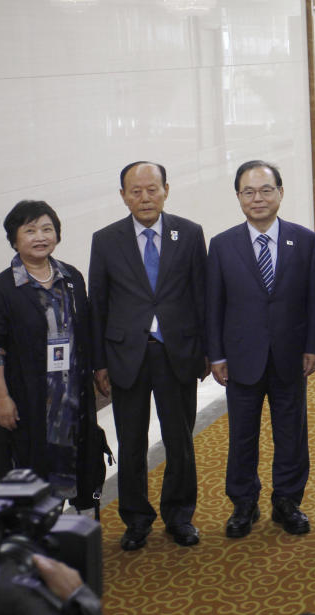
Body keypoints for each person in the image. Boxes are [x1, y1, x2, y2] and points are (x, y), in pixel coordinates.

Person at [88, 162, 208, 550]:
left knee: (179, 440)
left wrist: (206, 350)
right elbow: (98, 305)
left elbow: (201, 296)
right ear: (123, 196)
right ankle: (136, 519)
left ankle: (179, 516)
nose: (144, 198)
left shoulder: (188, 233)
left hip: (177, 352)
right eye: (135, 191)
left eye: (151, 189)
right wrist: (99, 363)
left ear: (166, 190)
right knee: (131, 441)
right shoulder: (106, 240)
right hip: (127, 355)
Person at [206, 160, 315, 537]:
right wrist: (217, 355)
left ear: (281, 193)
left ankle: (287, 501)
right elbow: (215, 305)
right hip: (241, 357)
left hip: (290, 354)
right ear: (238, 197)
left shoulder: (304, 240)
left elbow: (314, 300)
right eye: (249, 192)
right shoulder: (222, 245)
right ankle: (244, 503)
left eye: (266, 190)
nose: (258, 198)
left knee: (291, 432)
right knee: (242, 434)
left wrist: (313, 346)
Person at [0, 201, 108, 512]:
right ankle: (37, 545)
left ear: (57, 235)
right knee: (33, 479)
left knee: (81, 467)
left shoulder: (71, 278)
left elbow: (86, 330)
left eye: (47, 229)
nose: (40, 236)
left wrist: (98, 369)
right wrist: (2, 399)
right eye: (30, 230)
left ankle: (77, 537)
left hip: (73, 399)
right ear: (14, 238)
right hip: (30, 402)